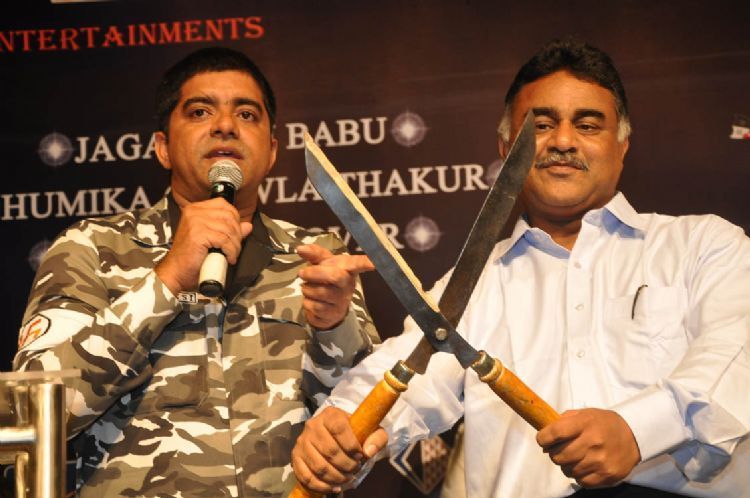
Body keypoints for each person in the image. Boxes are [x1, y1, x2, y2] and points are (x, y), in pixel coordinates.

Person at [290, 38, 750, 497]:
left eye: (587, 125)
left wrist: (637, 429)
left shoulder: (703, 245)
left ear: (622, 145)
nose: (563, 141)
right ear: (506, 147)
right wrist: (342, 424)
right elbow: (410, 371)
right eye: (541, 125)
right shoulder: (473, 286)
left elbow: (734, 357)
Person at [13, 46, 380, 498]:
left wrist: (335, 328)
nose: (226, 125)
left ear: (271, 152)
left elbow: (366, 430)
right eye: (201, 111)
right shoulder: (91, 247)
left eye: (247, 114)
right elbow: (33, 415)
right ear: (163, 147)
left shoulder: (316, 259)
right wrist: (165, 280)